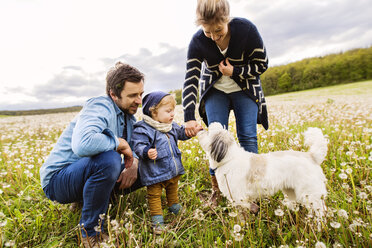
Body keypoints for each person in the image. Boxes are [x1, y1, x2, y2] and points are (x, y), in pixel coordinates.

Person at [39, 62, 145, 247]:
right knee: (109, 160)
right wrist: (118, 142)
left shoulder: (129, 116)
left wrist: (135, 162)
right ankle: (90, 233)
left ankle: (88, 201)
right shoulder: (100, 106)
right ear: (113, 94)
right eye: (133, 95)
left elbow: (136, 146)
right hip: (58, 180)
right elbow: (83, 144)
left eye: (141, 94)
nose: (139, 101)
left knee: (148, 164)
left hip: (83, 173)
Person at [182, 0, 269, 209]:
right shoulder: (197, 41)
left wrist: (235, 72)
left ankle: (253, 189)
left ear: (227, 18)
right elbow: (191, 79)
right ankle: (218, 190)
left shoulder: (246, 30)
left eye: (218, 30)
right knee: (215, 139)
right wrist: (188, 117)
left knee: (248, 135)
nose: (214, 36)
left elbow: (262, 64)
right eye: (208, 32)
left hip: (244, 89)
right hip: (215, 90)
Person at [131, 91, 201, 233]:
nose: (172, 114)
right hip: (155, 173)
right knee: (154, 196)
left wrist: (192, 132)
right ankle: (157, 222)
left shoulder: (171, 126)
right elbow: (137, 145)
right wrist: (146, 151)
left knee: (172, 189)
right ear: (154, 112)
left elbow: (182, 133)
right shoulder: (143, 128)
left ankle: (174, 206)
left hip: (172, 170)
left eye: (173, 110)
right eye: (168, 111)